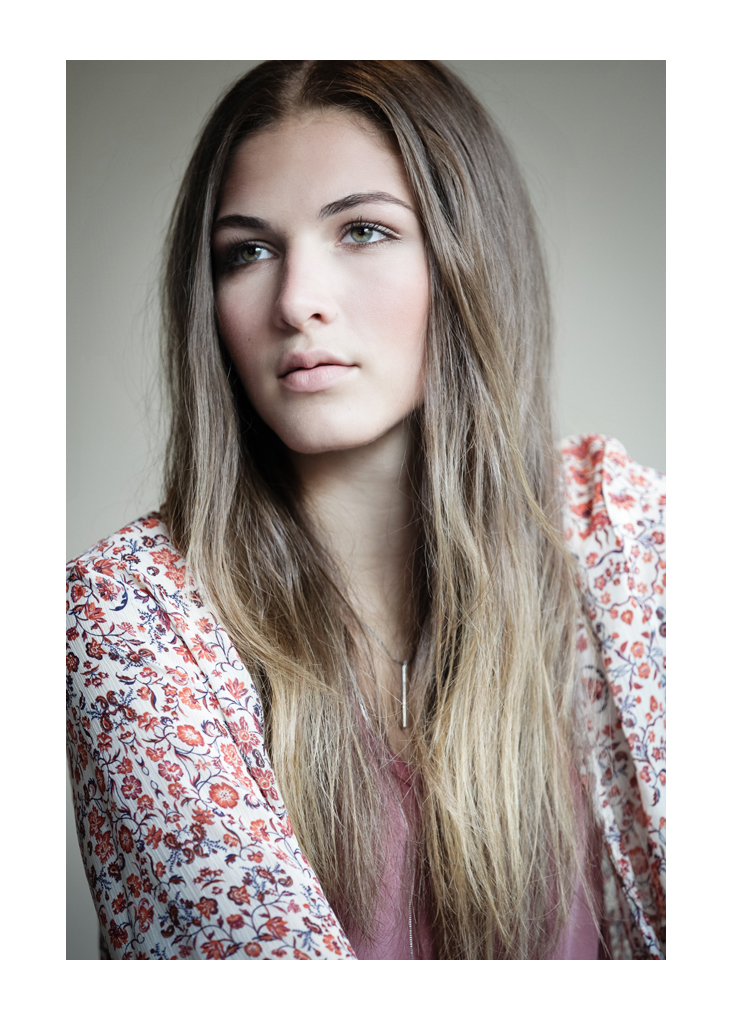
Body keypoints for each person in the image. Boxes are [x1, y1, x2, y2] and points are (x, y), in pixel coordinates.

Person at [66, 60, 665, 960]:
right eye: (248, 251)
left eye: (362, 230)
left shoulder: (625, 540)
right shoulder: (128, 618)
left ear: (469, 258)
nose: (297, 300)